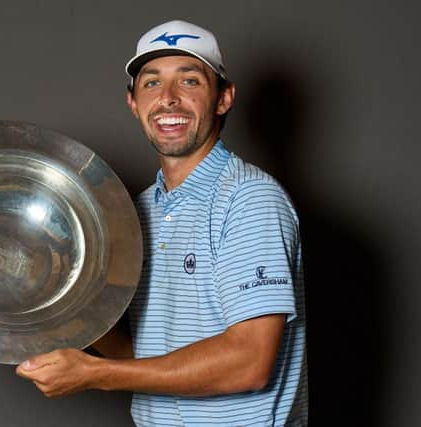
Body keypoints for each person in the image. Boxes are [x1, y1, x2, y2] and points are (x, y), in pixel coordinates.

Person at [16, 20, 308, 426]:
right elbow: (150, 358)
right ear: (134, 103)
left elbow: (249, 362)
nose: (168, 99)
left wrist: (94, 375)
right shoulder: (134, 213)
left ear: (224, 98)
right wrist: (76, 320)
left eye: (189, 81)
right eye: (152, 84)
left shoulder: (250, 199)